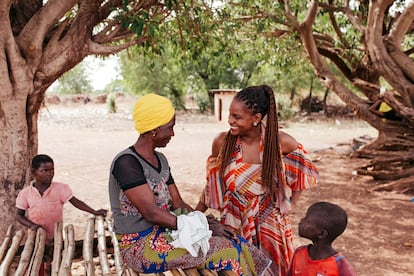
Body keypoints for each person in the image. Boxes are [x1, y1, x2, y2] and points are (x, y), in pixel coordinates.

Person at [108, 93, 271, 275]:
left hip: (165, 235)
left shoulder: (160, 159)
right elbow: (151, 213)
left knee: (237, 241)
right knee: (227, 251)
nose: (172, 133)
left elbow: (178, 204)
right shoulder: (127, 163)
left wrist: (205, 221)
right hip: (140, 247)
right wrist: (203, 227)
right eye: (170, 128)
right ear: (154, 130)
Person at [195, 85, 319, 276]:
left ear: (257, 118)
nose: (230, 121)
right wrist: (194, 216)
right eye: (230, 115)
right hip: (233, 223)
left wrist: (290, 205)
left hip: (271, 227)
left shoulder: (280, 142)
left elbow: (304, 173)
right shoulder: (222, 143)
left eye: (237, 117)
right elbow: (212, 186)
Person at [15, 154, 107, 274]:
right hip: (36, 238)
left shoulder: (60, 189)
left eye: (52, 170)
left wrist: (94, 212)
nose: (49, 173)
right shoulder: (26, 193)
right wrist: (33, 226)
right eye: (44, 171)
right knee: (36, 267)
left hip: (56, 237)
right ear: (34, 172)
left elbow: (76, 202)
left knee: (57, 266)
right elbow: (19, 215)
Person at [286, 202, 356, 276]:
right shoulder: (299, 253)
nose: (301, 221)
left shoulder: (341, 267)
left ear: (322, 234)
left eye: (307, 221)